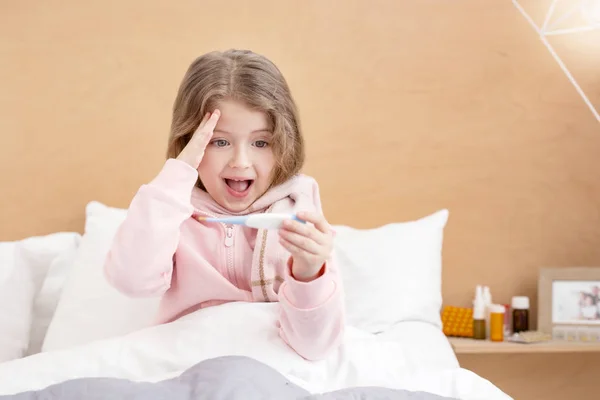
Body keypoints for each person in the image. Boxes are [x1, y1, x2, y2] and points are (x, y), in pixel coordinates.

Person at [103, 49, 345, 361]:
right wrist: (178, 173)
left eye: (261, 143)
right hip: (185, 366)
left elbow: (316, 347)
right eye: (219, 142)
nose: (240, 162)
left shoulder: (297, 215)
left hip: (267, 371)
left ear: (284, 143)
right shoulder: (171, 213)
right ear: (189, 142)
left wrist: (310, 274)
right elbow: (131, 280)